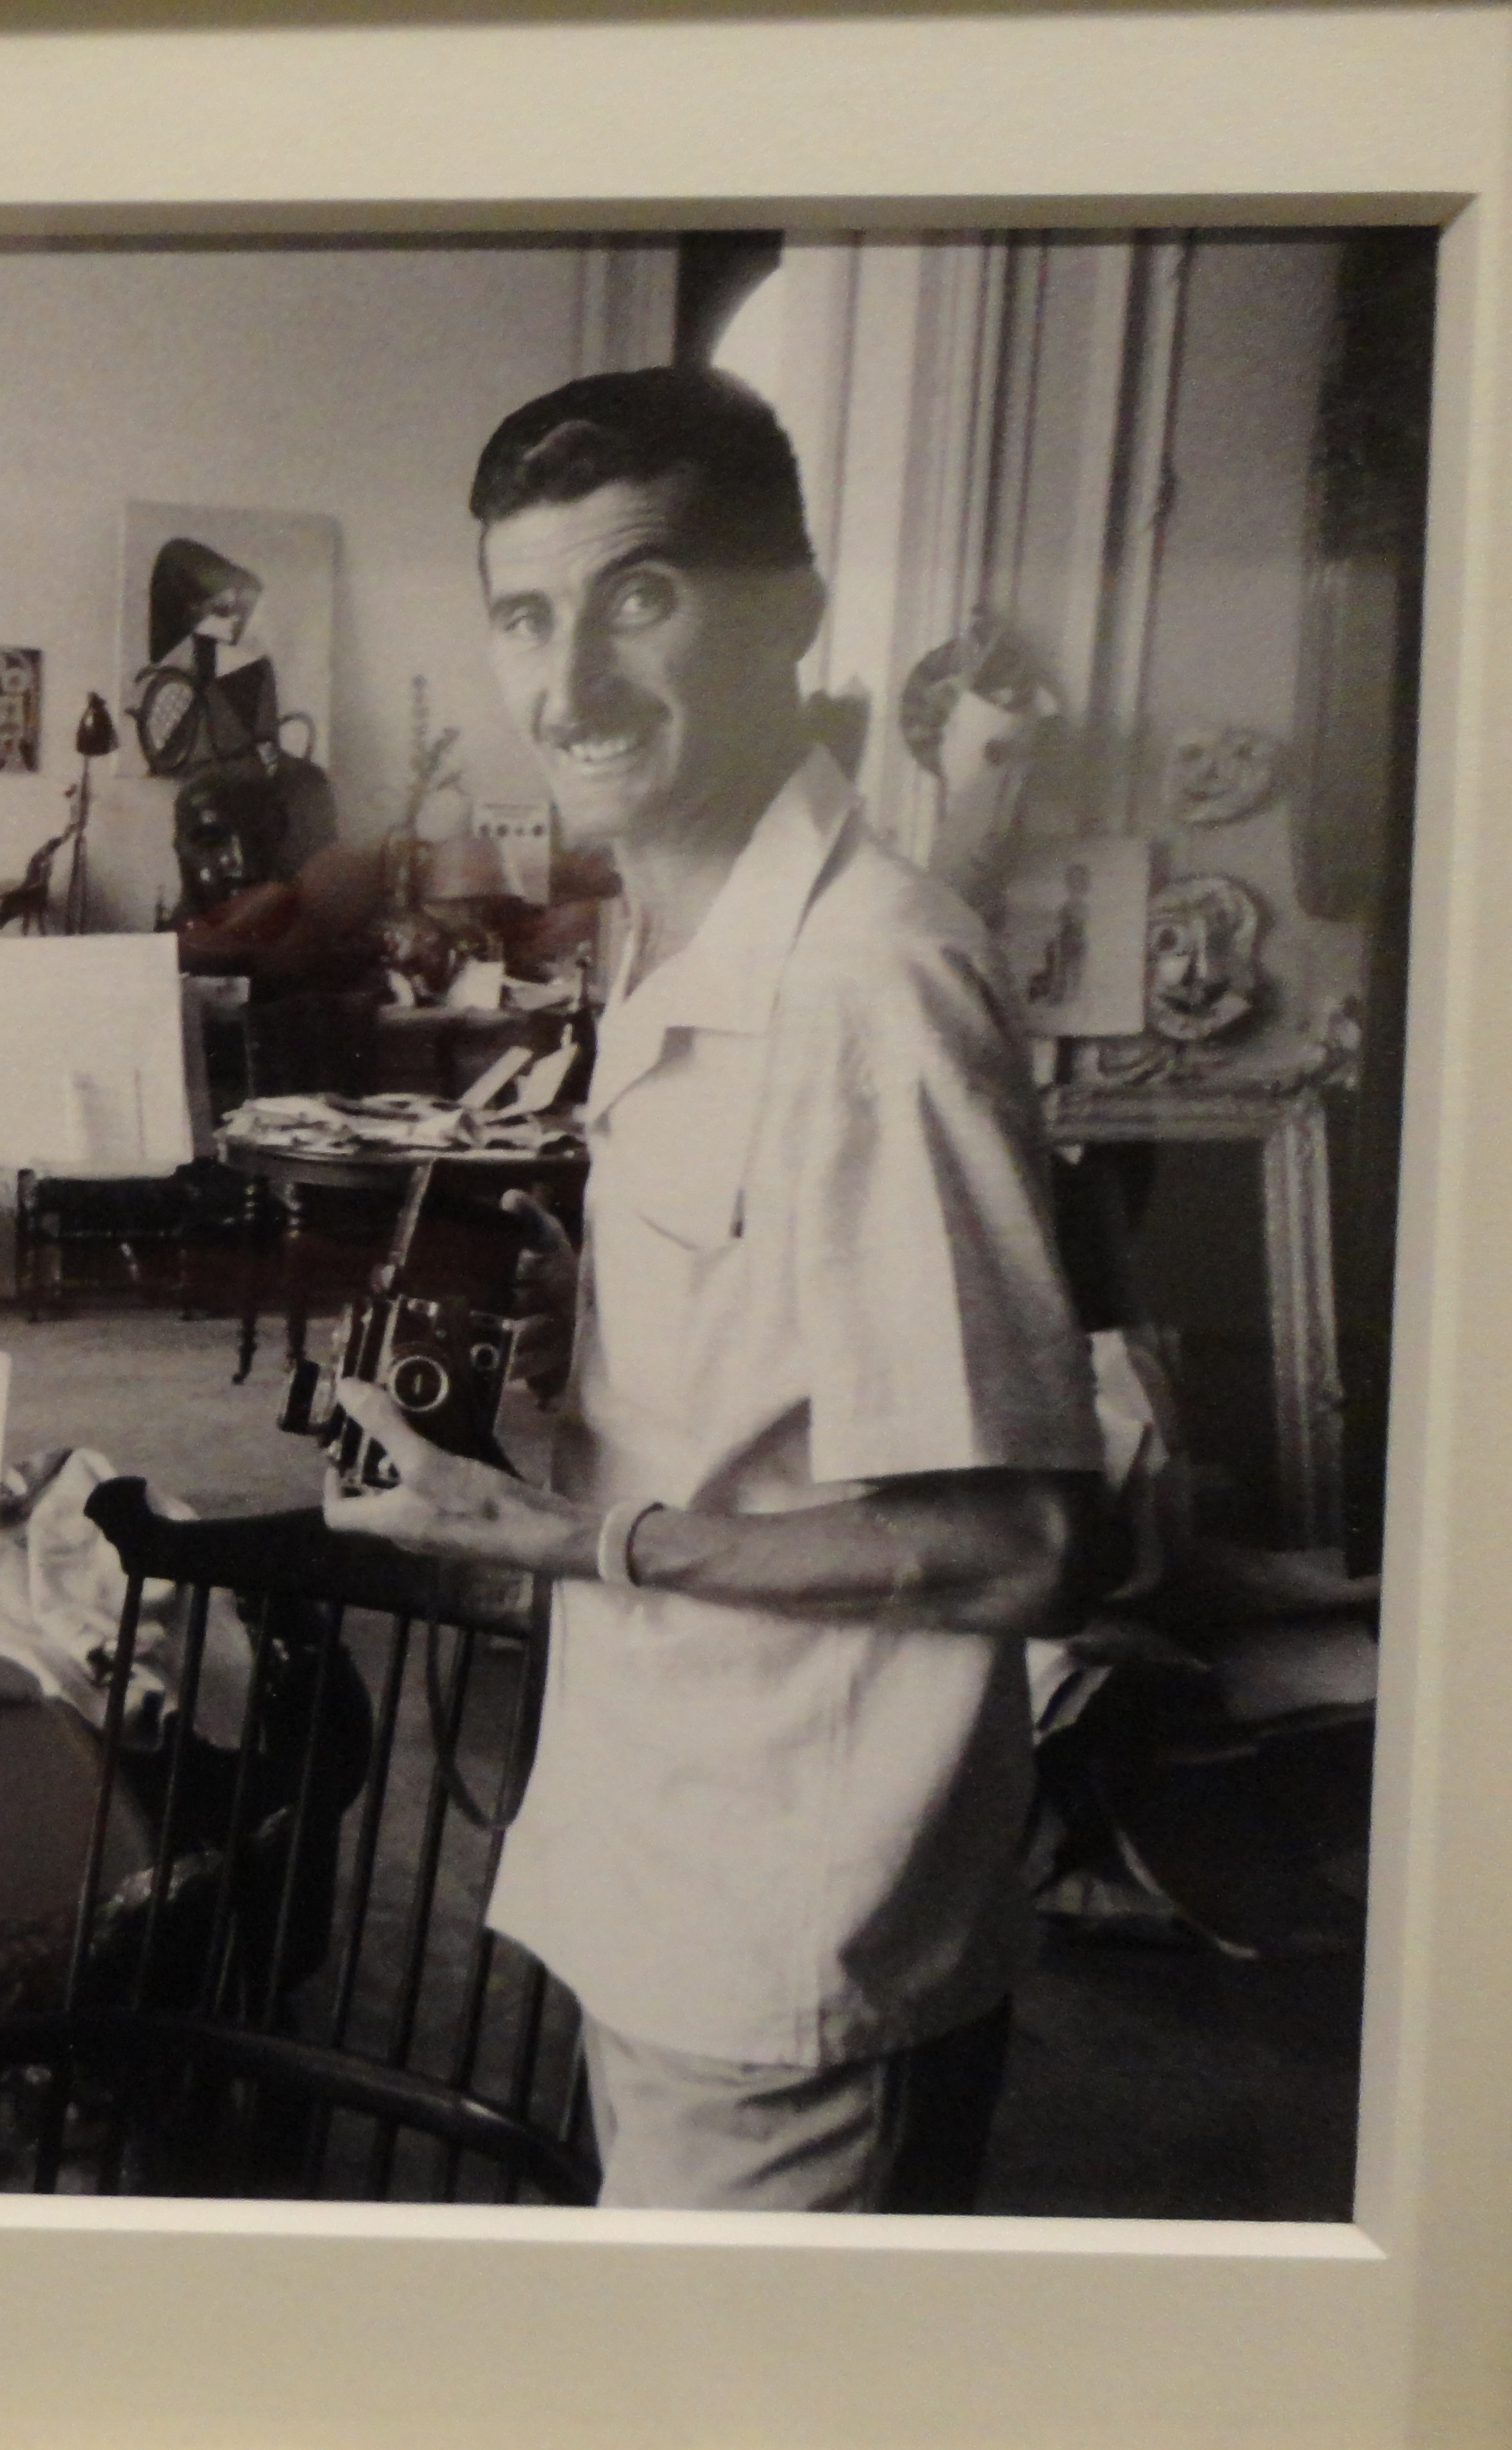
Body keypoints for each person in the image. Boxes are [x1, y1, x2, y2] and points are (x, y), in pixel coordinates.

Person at [323, 365, 1114, 2211]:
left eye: (642, 595)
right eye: (528, 615)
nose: (571, 682)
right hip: (676, 1844)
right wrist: (601, 1329)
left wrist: (574, 1538)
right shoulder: (678, 930)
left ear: (789, 613)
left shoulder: (866, 983)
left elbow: (1024, 1548)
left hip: (804, 1913)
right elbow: (787, 1366)